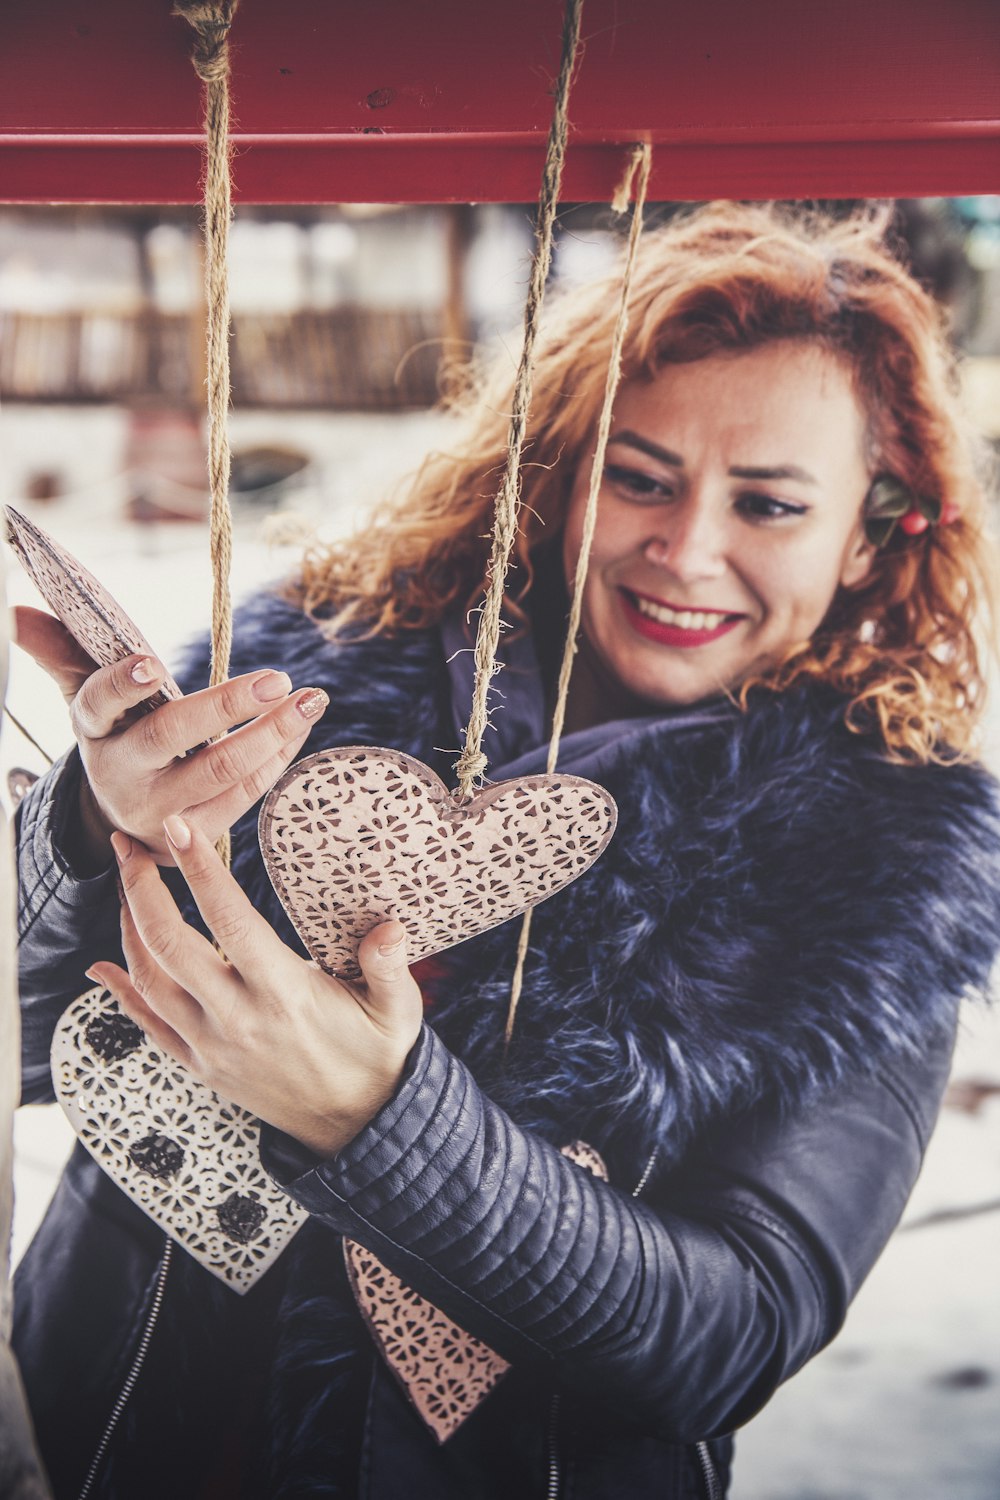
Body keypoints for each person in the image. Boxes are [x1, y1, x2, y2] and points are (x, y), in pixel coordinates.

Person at [12, 202, 1000, 1500]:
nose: (687, 548)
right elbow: (38, 1041)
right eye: (641, 475)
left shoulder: (882, 864)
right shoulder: (304, 677)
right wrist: (95, 830)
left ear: (869, 536)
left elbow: (729, 1334)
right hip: (110, 1442)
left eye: (768, 504)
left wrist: (379, 1121)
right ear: (563, 465)